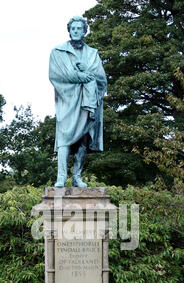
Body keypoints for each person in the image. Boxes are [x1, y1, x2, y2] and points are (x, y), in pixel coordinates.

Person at [49, 16, 107, 187]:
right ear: (69, 30)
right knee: (64, 138)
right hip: (67, 101)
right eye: (73, 28)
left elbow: (101, 79)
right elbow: (56, 75)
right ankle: (61, 177)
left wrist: (87, 71)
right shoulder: (58, 51)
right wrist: (80, 76)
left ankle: (77, 177)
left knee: (82, 140)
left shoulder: (92, 54)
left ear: (84, 31)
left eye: (79, 28)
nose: (75, 31)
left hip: (86, 103)